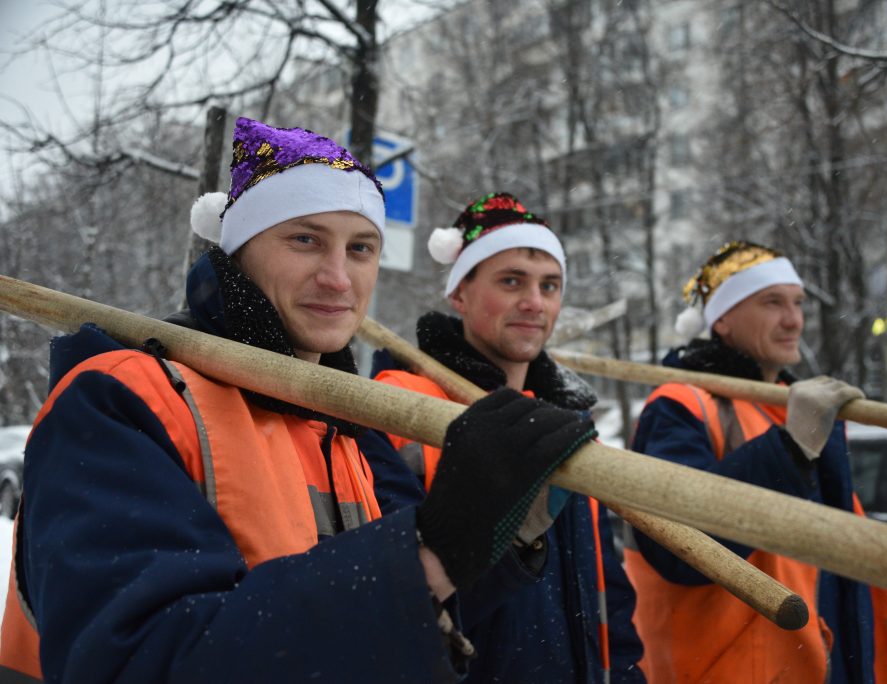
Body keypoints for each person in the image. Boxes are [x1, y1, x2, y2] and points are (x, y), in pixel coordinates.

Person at [0, 119, 597, 683]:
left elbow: (390, 628)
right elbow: (144, 660)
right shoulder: (123, 400)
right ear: (238, 251)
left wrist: (495, 536)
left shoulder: (343, 430)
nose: (338, 278)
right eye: (305, 240)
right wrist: (433, 548)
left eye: (361, 248)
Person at [369, 192, 645, 683]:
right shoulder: (404, 410)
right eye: (511, 281)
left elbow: (609, 600)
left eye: (550, 285)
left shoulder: (572, 428)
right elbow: (396, 602)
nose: (534, 303)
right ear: (459, 294)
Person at [624, 241, 887, 684]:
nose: (794, 320)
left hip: (815, 662)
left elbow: (834, 563)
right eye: (772, 303)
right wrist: (790, 448)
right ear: (721, 319)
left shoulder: (794, 409)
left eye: (798, 303)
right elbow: (682, 550)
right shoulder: (680, 405)